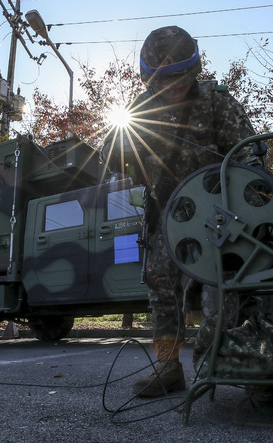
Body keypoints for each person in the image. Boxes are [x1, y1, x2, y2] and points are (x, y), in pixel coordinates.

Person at [103, 26, 261, 397]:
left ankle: (243, 363)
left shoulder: (216, 102)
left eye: (180, 79)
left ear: (194, 71)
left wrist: (251, 203)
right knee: (161, 287)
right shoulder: (139, 111)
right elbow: (112, 158)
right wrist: (117, 151)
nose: (173, 88)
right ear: (148, 80)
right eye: (164, 82)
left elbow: (248, 156)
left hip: (220, 213)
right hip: (168, 214)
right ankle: (168, 367)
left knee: (229, 286)